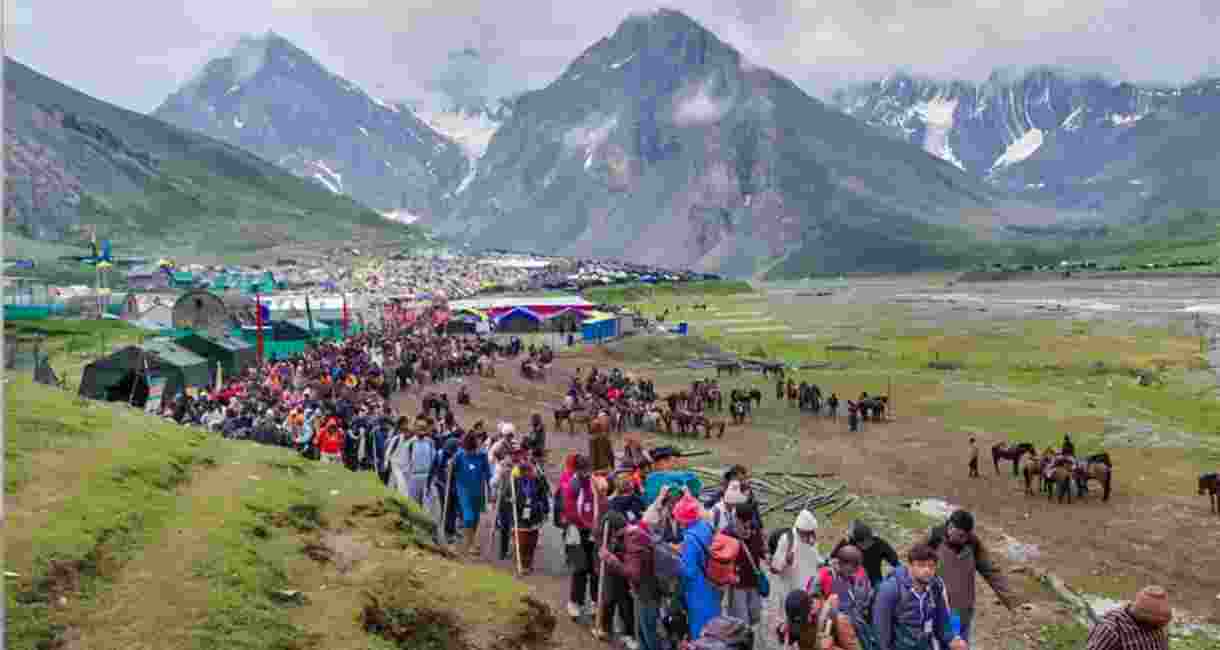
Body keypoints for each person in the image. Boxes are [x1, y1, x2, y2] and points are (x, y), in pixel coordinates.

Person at [926, 510, 1016, 644]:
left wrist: (1012, 601)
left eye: (967, 536)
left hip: (960, 610)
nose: (964, 539)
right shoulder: (934, 538)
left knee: (958, 642)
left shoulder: (972, 542)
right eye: (961, 536)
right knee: (937, 642)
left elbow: (991, 571)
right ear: (950, 527)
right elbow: (914, 564)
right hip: (937, 607)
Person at [873, 544, 966, 650]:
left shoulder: (935, 586)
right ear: (910, 566)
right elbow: (881, 630)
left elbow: (942, 619)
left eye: (931, 566)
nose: (927, 570)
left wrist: (952, 640)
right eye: (921, 565)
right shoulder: (890, 588)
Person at [600, 515, 662, 650]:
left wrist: (610, 559)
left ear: (614, 531)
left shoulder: (632, 539)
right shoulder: (634, 532)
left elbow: (634, 574)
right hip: (645, 590)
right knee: (642, 631)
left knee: (648, 632)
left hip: (647, 592)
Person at [674, 491, 722, 640]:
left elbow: (688, 571)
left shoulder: (689, 538)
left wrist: (676, 560)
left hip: (697, 588)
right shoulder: (705, 526)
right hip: (712, 580)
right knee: (714, 621)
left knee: (700, 627)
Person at [563, 455, 604, 620]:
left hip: (594, 531)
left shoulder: (595, 482)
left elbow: (601, 503)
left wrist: (598, 525)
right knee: (580, 568)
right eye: (583, 471)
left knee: (595, 569)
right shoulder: (572, 485)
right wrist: (587, 525)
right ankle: (575, 603)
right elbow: (571, 512)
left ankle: (595, 602)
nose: (586, 474)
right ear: (577, 470)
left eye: (588, 470)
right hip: (576, 531)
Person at [723, 502, 766, 639]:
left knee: (755, 615)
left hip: (753, 582)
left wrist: (766, 556)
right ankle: (743, 641)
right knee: (742, 620)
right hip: (738, 584)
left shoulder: (754, 530)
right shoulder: (728, 533)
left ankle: (746, 637)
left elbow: (760, 549)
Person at [594, 510, 637, 647]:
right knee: (608, 601)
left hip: (623, 575)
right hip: (609, 574)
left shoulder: (627, 536)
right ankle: (605, 628)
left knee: (626, 604)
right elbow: (598, 554)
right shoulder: (602, 536)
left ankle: (629, 633)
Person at [1085, 585, 1171, 650]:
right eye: (1156, 624)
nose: (1159, 627)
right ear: (1143, 619)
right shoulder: (1112, 629)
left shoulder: (1159, 626)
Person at [770, 510, 824, 600]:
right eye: (807, 533)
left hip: (808, 591)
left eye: (811, 532)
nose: (810, 536)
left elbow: (815, 559)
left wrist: (823, 562)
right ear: (800, 529)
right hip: (790, 592)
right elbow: (774, 568)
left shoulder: (811, 540)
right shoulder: (787, 540)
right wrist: (786, 561)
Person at [453, 433, 491, 557]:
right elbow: (452, 470)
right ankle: (470, 544)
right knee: (468, 516)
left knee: (475, 517)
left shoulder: (482, 456)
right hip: (464, 489)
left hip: (478, 490)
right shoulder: (459, 455)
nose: (470, 452)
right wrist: (450, 467)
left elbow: (488, 474)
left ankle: (471, 539)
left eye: (472, 450)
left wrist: (491, 490)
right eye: (468, 450)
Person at [832, 521, 900, 589]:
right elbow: (832, 560)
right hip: (852, 580)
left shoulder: (879, 544)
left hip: (874, 580)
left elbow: (896, 562)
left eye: (869, 541)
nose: (868, 544)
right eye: (863, 543)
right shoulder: (849, 544)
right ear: (856, 541)